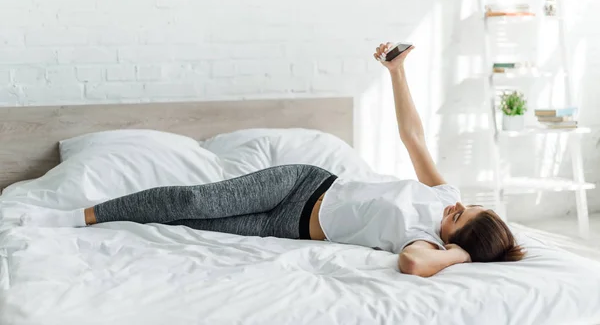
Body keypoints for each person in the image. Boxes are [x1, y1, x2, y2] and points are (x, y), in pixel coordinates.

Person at [21, 42, 525, 277]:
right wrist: (397, 74)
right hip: (302, 186)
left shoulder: (425, 243)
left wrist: (458, 254)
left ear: (453, 240)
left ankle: (99, 218)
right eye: (466, 205)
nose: (453, 206)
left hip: (290, 228)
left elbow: (415, 264)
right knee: (196, 199)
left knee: (191, 224)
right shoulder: (442, 195)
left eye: (458, 218)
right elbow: (413, 137)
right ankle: (73, 216)